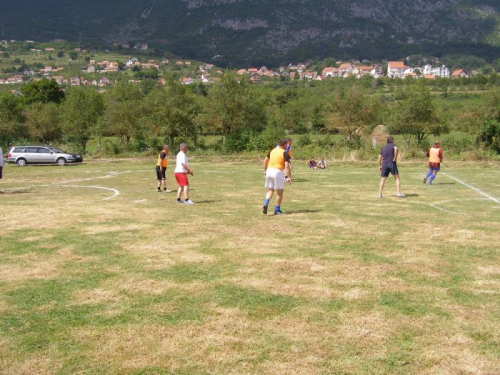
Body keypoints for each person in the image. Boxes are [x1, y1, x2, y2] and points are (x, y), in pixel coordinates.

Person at [263, 139, 292, 215]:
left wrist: (265, 170)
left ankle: (266, 203)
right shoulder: (284, 153)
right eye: (286, 145)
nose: (287, 146)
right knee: (279, 192)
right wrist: (288, 177)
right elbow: (286, 166)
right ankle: (277, 210)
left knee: (270, 190)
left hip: (269, 170)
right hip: (277, 171)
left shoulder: (272, 150)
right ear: (284, 145)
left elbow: (265, 160)